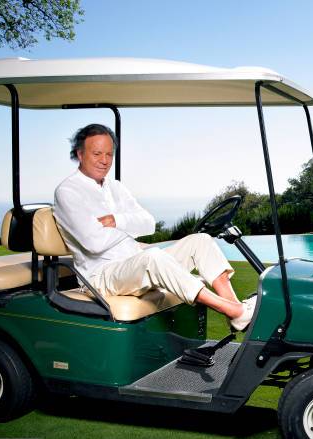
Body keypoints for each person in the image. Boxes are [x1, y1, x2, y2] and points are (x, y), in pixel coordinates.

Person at [53, 123, 255, 331]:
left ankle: (237, 312)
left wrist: (116, 220)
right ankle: (235, 311)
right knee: (153, 258)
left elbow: (148, 223)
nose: (104, 161)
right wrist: (131, 225)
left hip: (133, 263)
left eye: (109, 154)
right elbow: (94, 243)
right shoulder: (68, 192)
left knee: (201, 241)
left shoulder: (115, 187)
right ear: (79, 153)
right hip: (101, 276)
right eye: (97, 154)